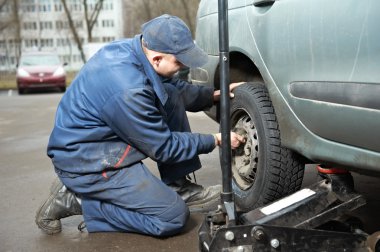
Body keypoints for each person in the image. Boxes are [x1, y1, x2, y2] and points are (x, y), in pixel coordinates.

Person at [35, 14, 245, 237]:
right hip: (89, 161)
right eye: (179, 60)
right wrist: (216, 139)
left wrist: (211, 96)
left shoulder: (135, 50)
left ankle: (179, 188)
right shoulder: (129, 90)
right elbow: (163, 146)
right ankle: (77, 200)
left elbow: (172, 89)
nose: (184, 66)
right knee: (173, 217)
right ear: (156, 59)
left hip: (100, 142)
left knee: (169, 93)